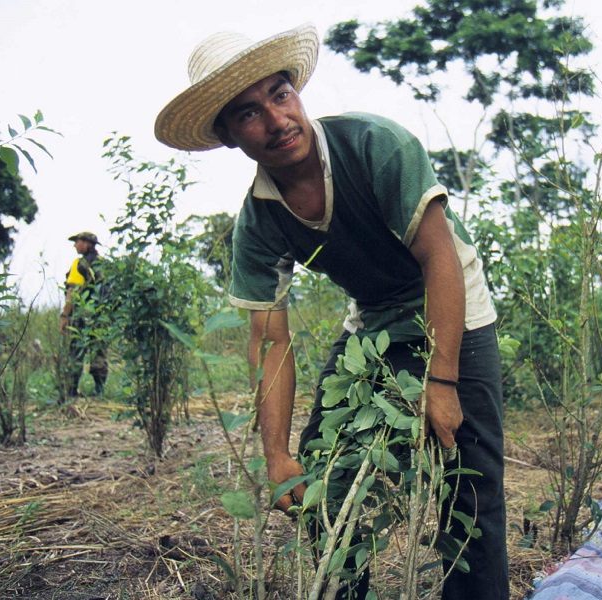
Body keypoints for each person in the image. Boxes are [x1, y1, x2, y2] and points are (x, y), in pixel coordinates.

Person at [155, 25, 508, 599]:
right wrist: (276, 454)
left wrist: (441, 381)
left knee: (469, 488)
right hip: (371, 324)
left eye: (279, 94)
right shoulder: (259, 222)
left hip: (454, 310)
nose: (275, 121)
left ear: (296, 92)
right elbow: (271, 341)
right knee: (322, 480)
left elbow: (439, 257)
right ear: (225, 135)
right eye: (247, 114)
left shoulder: (374, 145)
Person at [60, 231, 108, 398]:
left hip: (81, 316)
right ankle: (99, 392)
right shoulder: (103, 264)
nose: (75, 245)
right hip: (100, 316)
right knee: (99, 352)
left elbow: (72, 292)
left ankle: (71, 393)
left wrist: (64, 316)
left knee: (76, 353)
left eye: (78, 241)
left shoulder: (79, 264)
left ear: (87, 243)